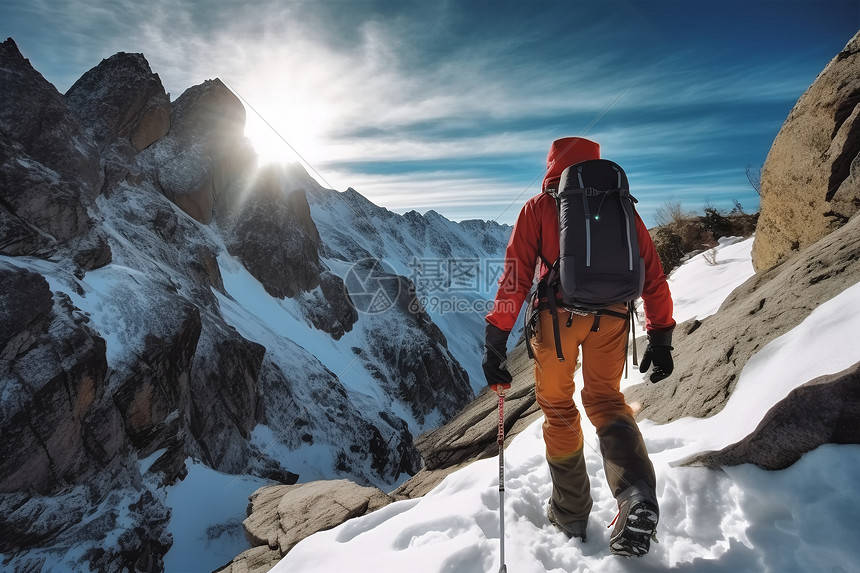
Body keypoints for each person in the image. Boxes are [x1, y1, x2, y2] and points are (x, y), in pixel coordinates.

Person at [482, 136, 675, 557]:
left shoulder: (539, 207)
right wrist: (661, 335)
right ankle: (635, 496)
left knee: (559, 408)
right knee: (607, 402)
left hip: (558, 321)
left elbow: (515, 276)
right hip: (614, 318)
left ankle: (570, 513)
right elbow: (653, 273)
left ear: (553, 164)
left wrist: (496, 338)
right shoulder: (623, 204)